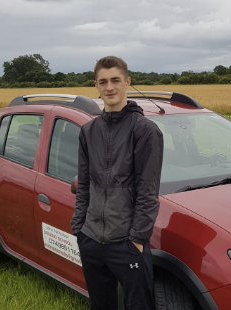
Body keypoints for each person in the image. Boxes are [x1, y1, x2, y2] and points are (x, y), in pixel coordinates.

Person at [71, 56, 164, 310]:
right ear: (96, 86)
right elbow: (84, 184)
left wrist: (137, 239)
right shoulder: (88, 132)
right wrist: (79, 227)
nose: (109, 87)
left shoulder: (145, 130)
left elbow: (148, 192)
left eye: (115, 80)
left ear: (127, 82)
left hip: (126, 243)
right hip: (91, 239)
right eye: (103, 82)